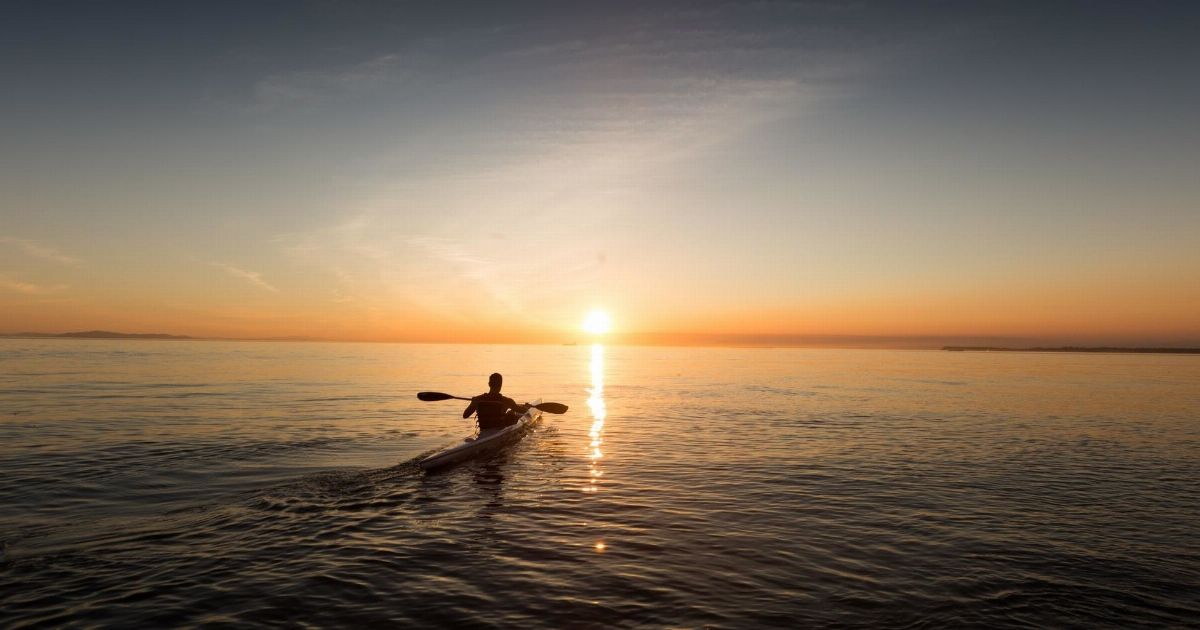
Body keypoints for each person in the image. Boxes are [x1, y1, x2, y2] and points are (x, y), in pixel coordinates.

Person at [463, 373, 531, 431]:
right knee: (512, 414)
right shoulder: (507, 401)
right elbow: (523, 411)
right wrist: (527, 407)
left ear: (489, 384)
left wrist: (473, 403)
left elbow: (465, 415)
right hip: (499, 431)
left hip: (483, 431)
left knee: (511, 412)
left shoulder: (478, 399)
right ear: (501, 385)